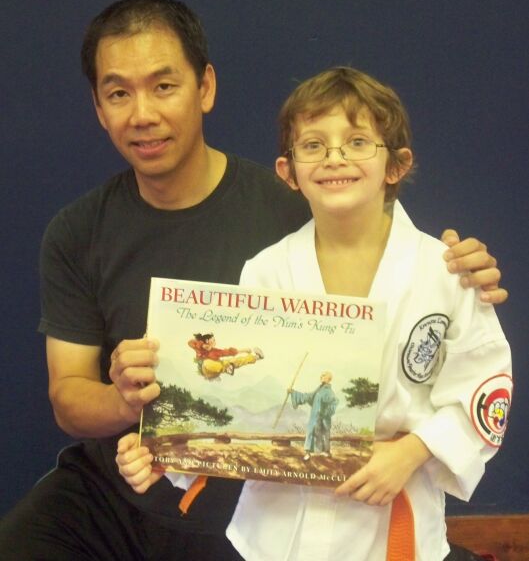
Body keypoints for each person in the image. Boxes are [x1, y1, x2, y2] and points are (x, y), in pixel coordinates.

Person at [0, 0, 506, 561]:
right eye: (119, 93)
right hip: (213, 493)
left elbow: (475, 377)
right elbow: (86, 395)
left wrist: (459, 267)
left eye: (163, 85)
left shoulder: (323, 218)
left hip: (344, 496)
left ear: (205, 87)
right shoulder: (253, 261)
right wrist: (146, 429)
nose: (142, 113)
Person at [118, 66, 511, 561]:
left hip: (393, 512)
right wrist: (161, 449)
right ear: (289, 172)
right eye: (314, 145)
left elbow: (485, 386)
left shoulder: (446, 271)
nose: (335, 158)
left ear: (396, 165)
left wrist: (411, 452)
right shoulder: (266, 271)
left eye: (357, 142)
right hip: (278, 530)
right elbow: (237, 396)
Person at [289, 371, 339, 461]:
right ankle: (308, 453)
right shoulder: (318, 390)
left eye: (324, 376)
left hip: (324, 418)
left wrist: (325, 412)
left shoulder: (330, 392)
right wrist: (293, 393)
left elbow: (334, 404)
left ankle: (326, 452)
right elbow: (308, 397)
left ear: (329, 379)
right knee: (311, 431)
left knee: (325, 433)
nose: (322, 377)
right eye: (322, 375)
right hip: (314, 416)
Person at [188, 333, 264, 379]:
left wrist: (244, 350)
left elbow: (227, 352)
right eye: (213, 340)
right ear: (207, 341)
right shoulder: (199, 348)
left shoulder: (215, 351)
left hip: (219, 367)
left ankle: (257, 357)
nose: (215, 342)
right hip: (208, 371)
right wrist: (202, 345)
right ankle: (226, 368)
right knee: (207, 362)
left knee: (234, 360)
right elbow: (190, 342)